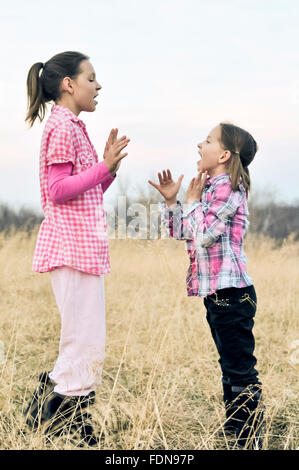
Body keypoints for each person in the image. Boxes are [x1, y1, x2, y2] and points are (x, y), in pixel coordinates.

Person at [24, 51, 130, 446]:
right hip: (70, 248)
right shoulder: (63, 126)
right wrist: (102, 167)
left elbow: (86, 191)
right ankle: (65, 419)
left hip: (82, 248)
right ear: (69, 84)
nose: (98, 85)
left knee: (87, 338)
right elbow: (56, 191)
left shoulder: (73, 126)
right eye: (91, 77)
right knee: (83, 339)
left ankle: (53, 410)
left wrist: (108, 169)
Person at [148, 122, 264, 449]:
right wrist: (173, 203)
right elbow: (182, 231)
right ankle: (237, 431)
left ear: (224, 155)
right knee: (229, 365)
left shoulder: (230, 190)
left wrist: (192, 200)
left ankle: (249, 437)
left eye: (209, 140)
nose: (201, 144)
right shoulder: (211, 189)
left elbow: (201, 237)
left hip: (233, 296)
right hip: (217, 297)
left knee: (239, 370)